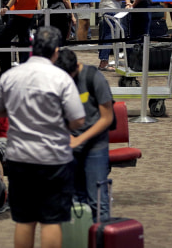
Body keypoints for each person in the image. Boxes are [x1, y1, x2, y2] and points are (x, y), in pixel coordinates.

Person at [0, 26, 85, 248]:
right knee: (52, 220)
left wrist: (14, 111)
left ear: (32, 48)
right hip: (54, 158)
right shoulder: (61, 78)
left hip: (20, 158)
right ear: (56, 51)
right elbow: (78, 119)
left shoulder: (11, 75)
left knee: (24, 220)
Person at [54, 48, 114, 223]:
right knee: (75, 201)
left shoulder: (94, 78)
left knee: (97, 200)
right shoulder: (60, 80)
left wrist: (80, 139)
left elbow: (107, 118)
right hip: (71, 145)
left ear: (76, 67)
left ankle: (100, 239)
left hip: (95, 145)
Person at [95, 0, 126, 71]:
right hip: (111, 8)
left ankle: (104, 61)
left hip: (106, 8)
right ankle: (104, 62)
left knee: (106, 35)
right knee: (109, 35)